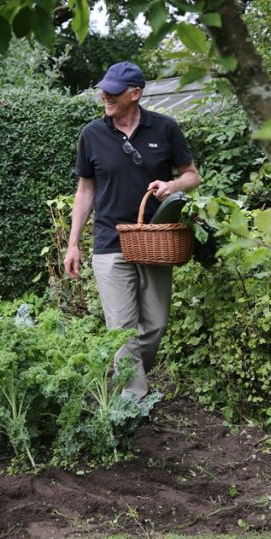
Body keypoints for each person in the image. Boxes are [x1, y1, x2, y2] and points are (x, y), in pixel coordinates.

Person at [63, 61, 201, 400]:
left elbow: (192, 175)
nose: (105, 96)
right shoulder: (92, 134)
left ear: (135, 94)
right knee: (121, 330)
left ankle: (129, 379)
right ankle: (133, 401)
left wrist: (171, 185)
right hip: (110, 242)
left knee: (155, 325)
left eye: (113, 92)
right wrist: (73, 243)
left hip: (155, 241)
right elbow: (85, 191)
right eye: (103, 90)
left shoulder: (165, 128)